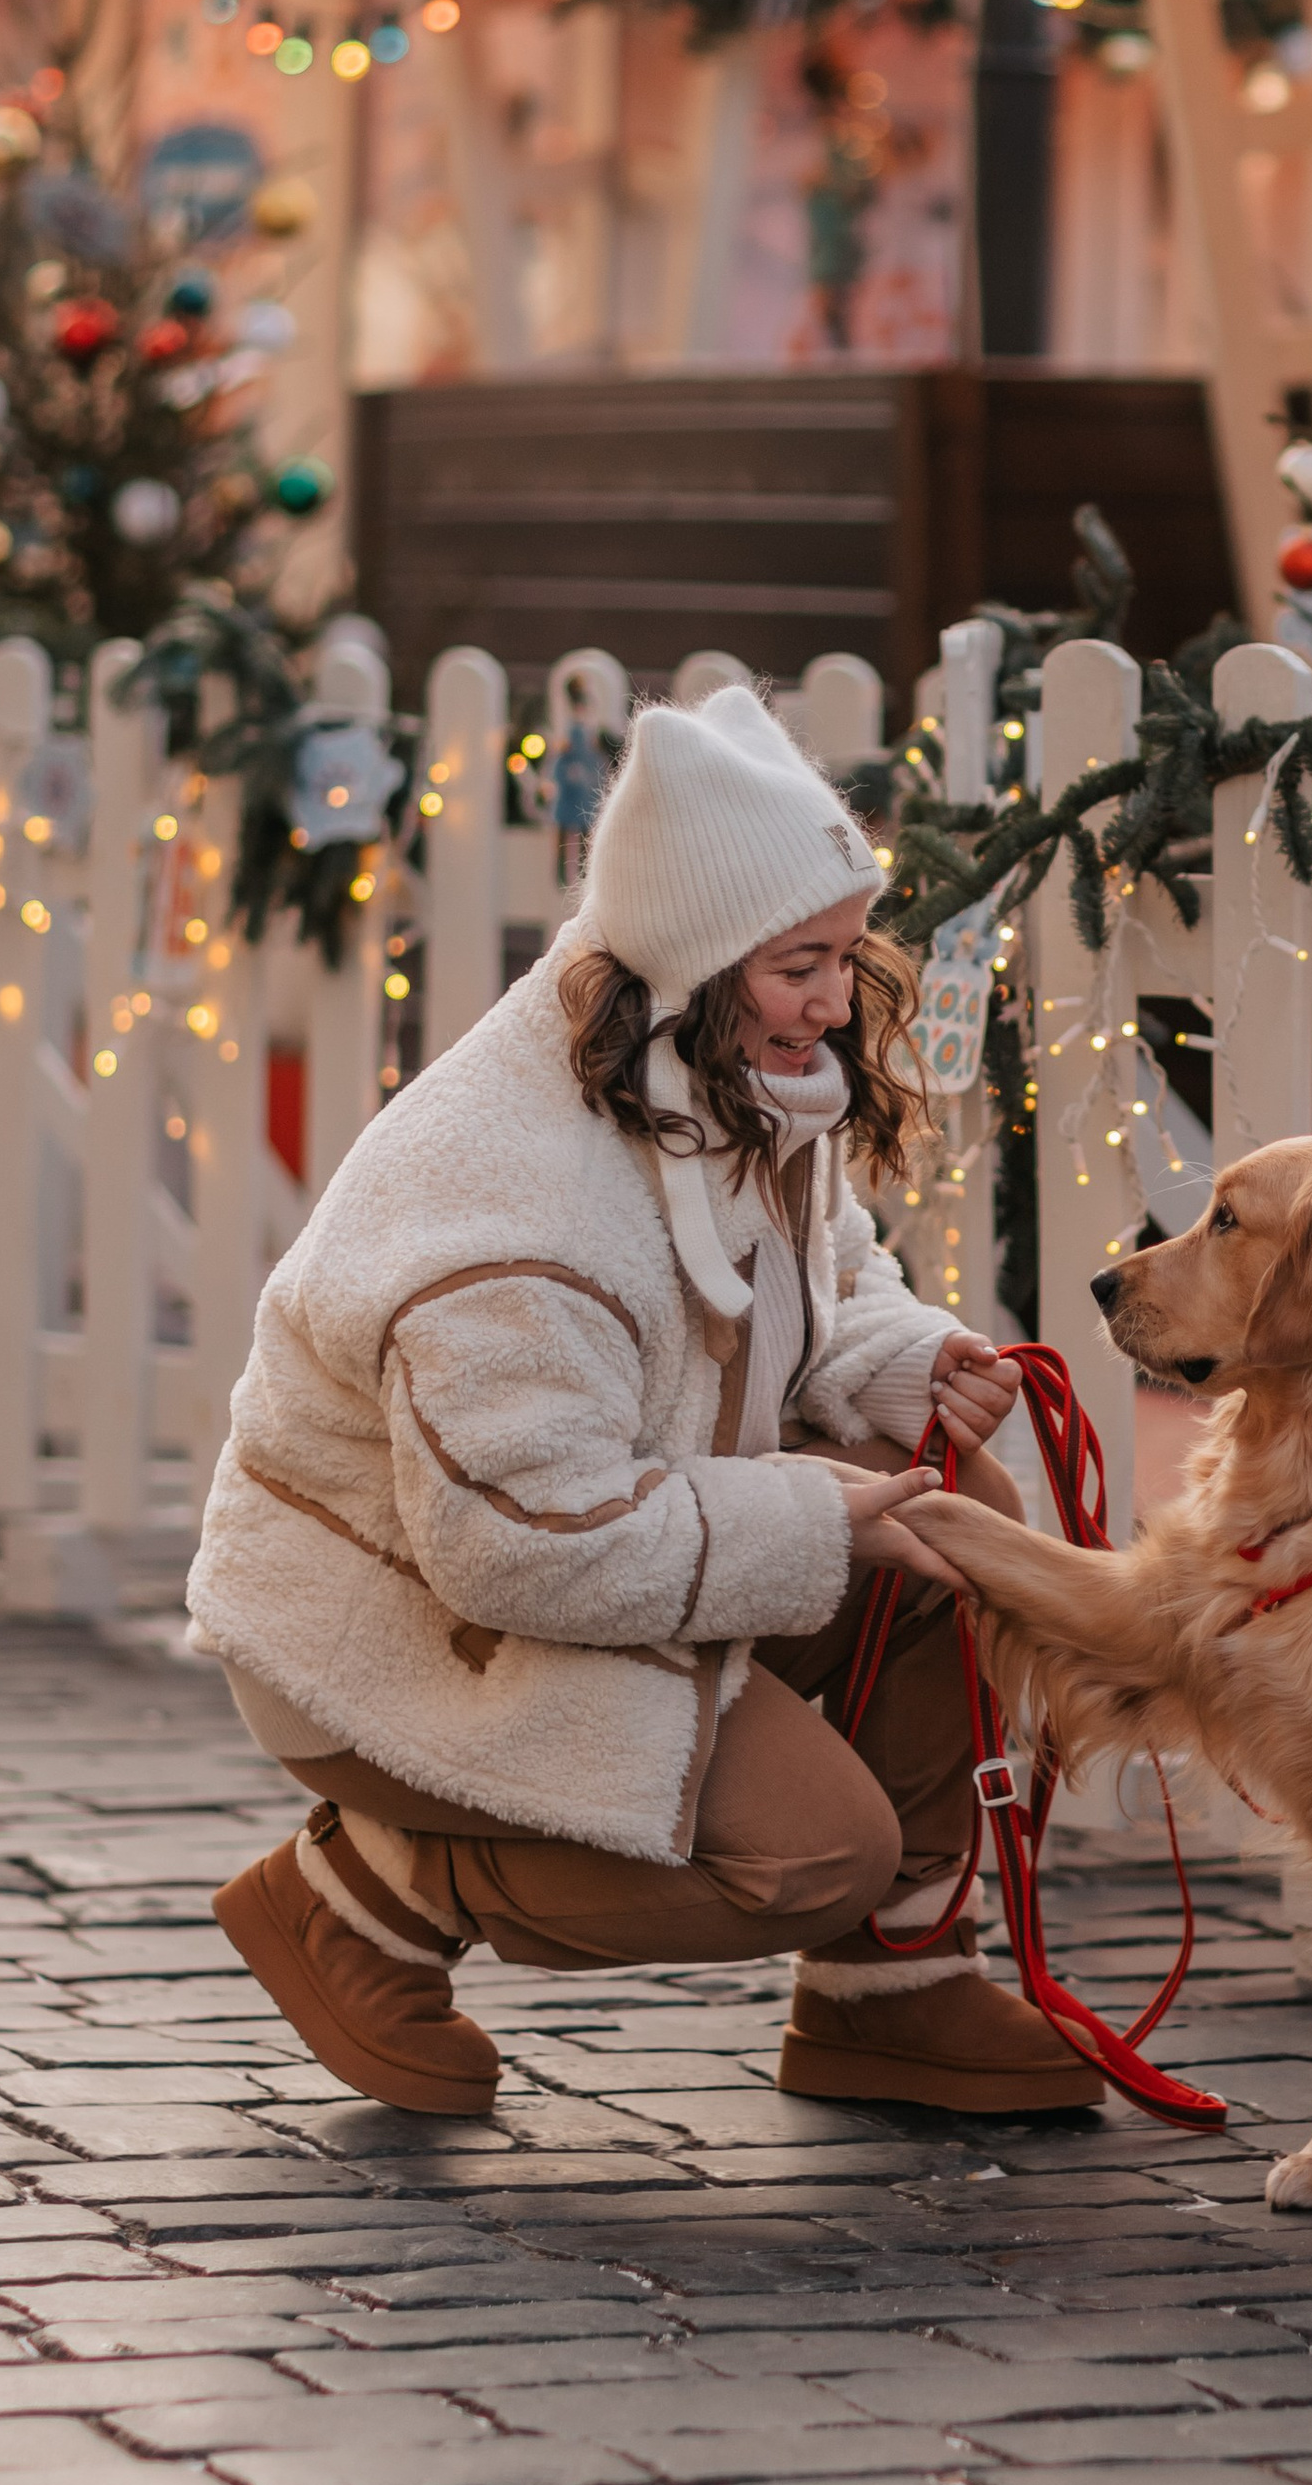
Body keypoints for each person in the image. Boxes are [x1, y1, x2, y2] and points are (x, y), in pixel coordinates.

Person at [190, 681, 1091, 2121]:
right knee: (811, 1855)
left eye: (847, 955)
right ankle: (366, 1895)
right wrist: (816, 1519)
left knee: (953, 1521)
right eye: (802, 964)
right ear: (701, 957)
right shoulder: (517, 1212)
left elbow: (824, 1271)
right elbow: (517, 1545)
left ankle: (895, 1985)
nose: (836, 1001)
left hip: (580, 1543)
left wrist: (905, 1359)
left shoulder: (708, 1064)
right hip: (401, 1628)